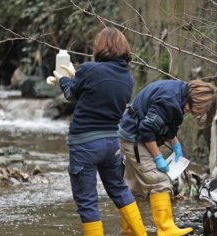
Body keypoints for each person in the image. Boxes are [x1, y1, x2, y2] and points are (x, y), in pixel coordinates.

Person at [48, 27, 147, 236]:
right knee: (119, 189)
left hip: (85, 144)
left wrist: (63, 80)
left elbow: (69, 94)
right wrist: (76, 78)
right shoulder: (128, 78)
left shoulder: (89, 69)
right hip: (112, 145)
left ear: (101, 47)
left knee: (87, 200)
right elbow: (98, 90)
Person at [118, 79, 217, 236]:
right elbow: (147, 130)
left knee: (134, 187)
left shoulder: (179, 92)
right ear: (196, 101)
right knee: (160, 181)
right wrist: (158, 158)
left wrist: (176, 144)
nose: (191, 113)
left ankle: (129, 231)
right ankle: (166, 229)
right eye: (194, 110)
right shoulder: (169, 101)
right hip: (135, 138)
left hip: (130, 132)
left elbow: (167, 123)